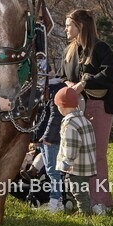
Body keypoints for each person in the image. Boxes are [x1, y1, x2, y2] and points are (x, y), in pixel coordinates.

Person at [62, 9, 113, 215]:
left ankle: (102, 202)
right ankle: (83, 201)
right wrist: (68, 84)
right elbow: (61, 75)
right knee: (79, 156)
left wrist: (84, 83)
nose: (66, 28)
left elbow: (111, 72)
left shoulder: (100, 48)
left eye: (69, 24)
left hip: (98, 106)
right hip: (76, 108)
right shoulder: (69, 51)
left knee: (97, 155)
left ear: (81, 26)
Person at [53, 86, 96, 216]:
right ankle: (84, 208)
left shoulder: (70, 123)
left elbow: (71, 146)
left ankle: (85, 212)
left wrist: (67, 162)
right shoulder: (84, 120)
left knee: (77, 189)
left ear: (62, 106)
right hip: (87, 163)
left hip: (76, 165)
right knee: (81, 188)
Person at [38, 75, 67, 212]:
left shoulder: (56, 89)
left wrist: (47, 137)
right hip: (45, 138)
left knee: (53, 171)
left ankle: (56, 201)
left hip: (52, 139)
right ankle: (55, 200)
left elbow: (55, 116)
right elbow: (42, 115)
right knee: (51, 170)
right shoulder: (45, 88)